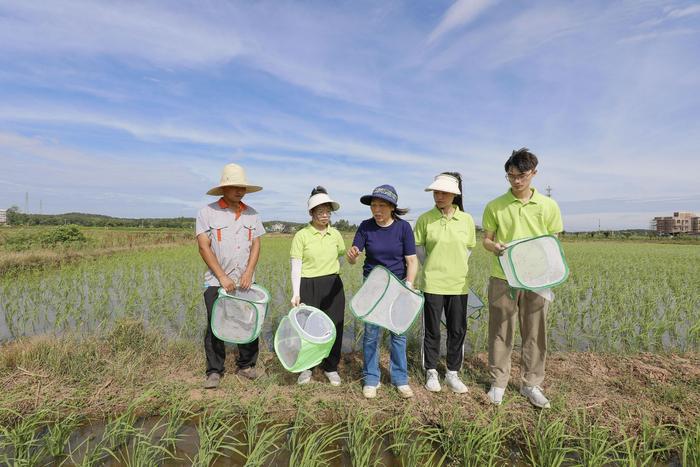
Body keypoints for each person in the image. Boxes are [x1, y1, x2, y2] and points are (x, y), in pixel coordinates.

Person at [482, 148, 563, 408]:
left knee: (535, 331)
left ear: (533, 173)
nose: (516, 181)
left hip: (538, 279)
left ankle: (531, 384)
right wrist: (493, 247)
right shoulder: (495, 205)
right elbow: (487, 239)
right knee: (500, 330)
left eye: (522, 175)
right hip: (503, 276)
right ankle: (498, 382)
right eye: (511, 176)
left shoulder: (548, 206)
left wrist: (549, 273)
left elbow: (554, 241)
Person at [195, 163, 266, 389]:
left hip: (246, 281)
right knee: (215, 325)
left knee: (248, 321)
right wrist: (223, 277)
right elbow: (204, 247)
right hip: (217, 281)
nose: (239, 191)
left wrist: (248, 273)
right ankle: (214, 370)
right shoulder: (207, 212)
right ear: (223, 188)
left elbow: (256, 245)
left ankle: (246, 365)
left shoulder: (252, 214)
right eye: (234, 187)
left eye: (242, 187)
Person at [346, 184, 418, 399]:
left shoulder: (403, 228)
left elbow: (412, 260)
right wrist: (352, 255)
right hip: (372, 287)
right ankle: (371, 378)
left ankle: (400, 379)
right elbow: (354, 256)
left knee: (398, 333)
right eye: (373, 206)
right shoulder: (366, 227)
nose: (376, 210)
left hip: (398, 286)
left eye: (381, 206)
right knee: (371, 334)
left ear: (392, 207)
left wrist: (409, 285)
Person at [414, 172, 476, 394]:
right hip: (432, 283)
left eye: (443, 192)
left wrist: (453, 267)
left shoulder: (467, 220)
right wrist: (435, 266)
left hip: (458, 284)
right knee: (431, 330)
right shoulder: (425, 219)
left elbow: (466, 250)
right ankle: (431, 370)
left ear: (454, 195)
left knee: (457, 329)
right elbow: (420, 252)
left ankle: (452, 372)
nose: (438, 196)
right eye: (436, 192)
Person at [290, 187, 347, 386]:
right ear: (311, 213)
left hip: (333, 285)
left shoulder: (336, 234)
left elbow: (343, 255)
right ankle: (307, 367)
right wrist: (296, 293)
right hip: (308, 284)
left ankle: (331, 367)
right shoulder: (301, 235)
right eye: (320, 211)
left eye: (327, 211)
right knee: (307, 329)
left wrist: (353, 257)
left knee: (334, 326)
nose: (325, 215)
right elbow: (296, 266)